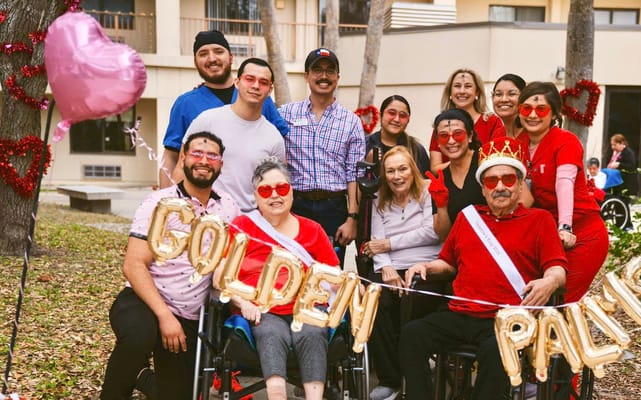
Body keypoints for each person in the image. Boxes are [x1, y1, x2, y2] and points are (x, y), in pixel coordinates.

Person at [399, 136, 568, 400]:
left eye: (508, 179)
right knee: (412, 335)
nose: (500, 187)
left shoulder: (540, 220)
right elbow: (448, 263)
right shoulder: (468, 217)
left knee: (496, 351)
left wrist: (549, 282)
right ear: (483, 188)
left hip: (507, 319)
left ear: (520, 184)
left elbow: (557, 269)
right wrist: (425, 266)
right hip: (461, 314)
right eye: (492, 181)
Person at [101, 131, 239, 400]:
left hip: (189, 315)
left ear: (220, 164)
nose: (204, 160)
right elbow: (133, 265)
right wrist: (165, 316)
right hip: (143, 300)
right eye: (197, 153)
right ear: (184, 158)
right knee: (139, 337)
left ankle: (142, 376)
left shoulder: (228, 208)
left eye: (212, 155)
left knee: (176, 394)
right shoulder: (159, 203)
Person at [215, 159, 339, 400]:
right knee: (270, 333)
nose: (275, 195)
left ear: (291, 191)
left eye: (281, 188)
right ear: (256, 196)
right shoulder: (242, 227)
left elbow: (334, 274)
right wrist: (243, 303)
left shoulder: (312, 229)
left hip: (306, 307)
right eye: (265, 190)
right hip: (260, 309)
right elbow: (219, 276)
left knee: (313, 333)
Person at [514, 81, 609, 303]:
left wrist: (565, 227)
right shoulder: (519, 143)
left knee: (565, 303)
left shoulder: (565, 141)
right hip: (547, 237)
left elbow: (564, 182)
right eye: (526, 109)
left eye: (541, 109)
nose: (533, 115)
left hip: (582, 233)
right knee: (535, 295)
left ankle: (567, 338)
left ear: (554, 113)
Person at [360, 146, 442, 400]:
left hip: (426, 265)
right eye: (391, 171)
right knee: (376, 298)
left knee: (411, 302)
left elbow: (432, 232)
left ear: (412, 170)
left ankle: (414, 375)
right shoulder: (379, 200)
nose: (397, 176)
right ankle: (390, 379)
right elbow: (376, 240)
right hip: (391, 266)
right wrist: (386, 267)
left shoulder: (429, 192)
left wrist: (391, 243)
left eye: (402, 169)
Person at [159, 30, 288, 188]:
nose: (212, 58)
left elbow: (279, 147)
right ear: (195, 62)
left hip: (250, 200)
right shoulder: (185, 104)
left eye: (218, 52)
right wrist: (165, 199)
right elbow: (172, 158)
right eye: (203, 53)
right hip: (204, 204)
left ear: (231, 57)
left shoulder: (259, 98)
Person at [279, 48, 366, 264]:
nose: (324, 76)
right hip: (296, 205)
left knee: (330, 275)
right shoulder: (285, 115)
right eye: (317, 70)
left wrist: (352, 218)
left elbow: (354, 173)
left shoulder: (351, 121)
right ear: (307, 76)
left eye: (330, 71)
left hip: (333, 208)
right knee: (294, 270)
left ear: (337, 77)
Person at [175, 57, 286, 212]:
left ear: (270, 90)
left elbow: (276, 189)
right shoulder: (207, 120)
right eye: (249, 79)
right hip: (203, 216)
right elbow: (181, 168)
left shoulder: (274, 138)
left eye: (263, 82)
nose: (255, 86)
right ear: (237, 82)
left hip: (248, 223)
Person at [427, 109, 533, 240]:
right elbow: (443, 234)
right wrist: (441, 206)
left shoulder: (489, 161)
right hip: (464, 246)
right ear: (437, 141)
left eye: (458, 134)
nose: (451, 141)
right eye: (444, 136)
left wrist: (493, 227)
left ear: (470, 136)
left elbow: (526, 200)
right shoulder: (440, 178)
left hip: (504, 239)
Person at [428, 68, 506, 172]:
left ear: (477, 92)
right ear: (450, 92)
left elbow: (496, 161)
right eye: (457, 86)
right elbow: (435, 168)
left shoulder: (491, 122)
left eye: (468, 86)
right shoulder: (442, 124)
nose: (462, 91)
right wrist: (462, 163)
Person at [365, 95, 430, 175]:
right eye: (391, 113)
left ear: (408, 120)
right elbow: (354, 182)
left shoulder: (416, 149)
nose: (396, 119)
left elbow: (426, 183)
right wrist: (368, 164)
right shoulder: (364, 145)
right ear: (380, 115)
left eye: (402, 115)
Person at [491, 73, 527, 138]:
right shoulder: (497, 134)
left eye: (512, 94)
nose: (504, 99)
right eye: (498, 94)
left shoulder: (532, 133)